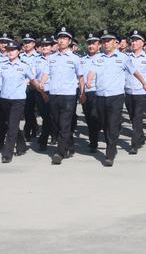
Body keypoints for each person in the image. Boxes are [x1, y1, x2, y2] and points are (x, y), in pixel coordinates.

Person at [86, 29, 146, 166]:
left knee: (112, 124)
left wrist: (144, 82)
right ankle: (111, 143)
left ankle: (110, 152)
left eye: (109, 41)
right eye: (104, 41)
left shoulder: (123, 58)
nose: (106, 43)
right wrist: (89, 80)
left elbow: (134, 71)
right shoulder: (98, 58)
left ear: (115, 43)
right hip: (101, 96)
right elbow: (91, 71)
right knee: (104, 124)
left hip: (116, 97)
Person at [0, 40, 43, 163]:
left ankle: (7, 153)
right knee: (9, 123)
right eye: (9, 50)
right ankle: (22, 145)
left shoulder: (24, 66)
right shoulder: (2, 65)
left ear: (18, 51)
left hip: (18, 100)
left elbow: (32, 80)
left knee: (12, 126)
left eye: (13, 50)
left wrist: (41, 90)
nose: (10, 52)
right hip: (4, 98)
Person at [40, 26, 84, 165]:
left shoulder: (75, 58)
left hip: (68, 95)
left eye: (65, 38)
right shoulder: (51, 58)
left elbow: (80, 77)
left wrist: (82, 93)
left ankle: (60, 152)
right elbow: (46, 72)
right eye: (60, 38)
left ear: (69, 41)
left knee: (64, 124)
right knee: (57, 123)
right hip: (54, 94)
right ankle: (70, 145)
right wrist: (42, 82)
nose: (61, 41)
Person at [124, 30, 146, 154]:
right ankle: (141, 137)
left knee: (137, 117)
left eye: (136, 40)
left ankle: (134, 144)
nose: (133, 43)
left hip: (142, 93)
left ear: (142, 43)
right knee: (132, 117)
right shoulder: (126, 57)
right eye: (132, 40)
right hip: (128, 91)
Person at [79, 32, 101, 152]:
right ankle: (93, 142)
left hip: (98, 92)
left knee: (95, 117)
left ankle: (95, 140)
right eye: (89, 43)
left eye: (93, 43)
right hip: (86, 92)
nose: (91, 46)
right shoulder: (82, 60)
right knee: (89, 118)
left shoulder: (103, 58)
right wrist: (81, 93)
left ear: (99, 45)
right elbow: (81, 77)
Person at [19, 33, 40, 139]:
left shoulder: (38, 57)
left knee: (32, 109)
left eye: (28, 42)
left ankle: (31, 129)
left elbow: (37, 72)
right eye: (25, 42)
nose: (26, 44)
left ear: (33, 44)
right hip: (23, 86)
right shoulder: (20, 56)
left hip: (33, 86)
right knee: (27, 110)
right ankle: (31, 129)